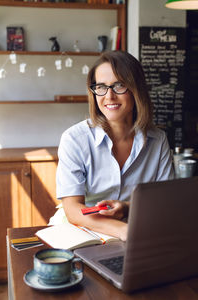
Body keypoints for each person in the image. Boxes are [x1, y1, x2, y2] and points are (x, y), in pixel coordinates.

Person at [52, 50, 174, 242]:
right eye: (100, 87)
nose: (109, 96)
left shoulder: (158, 141)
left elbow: (164, 201)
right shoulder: (74, 139)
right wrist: (125, 231)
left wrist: (127, 207)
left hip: (136, 230)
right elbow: (73, 209)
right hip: (82, 231)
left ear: (136, 90)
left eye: (119, 85)